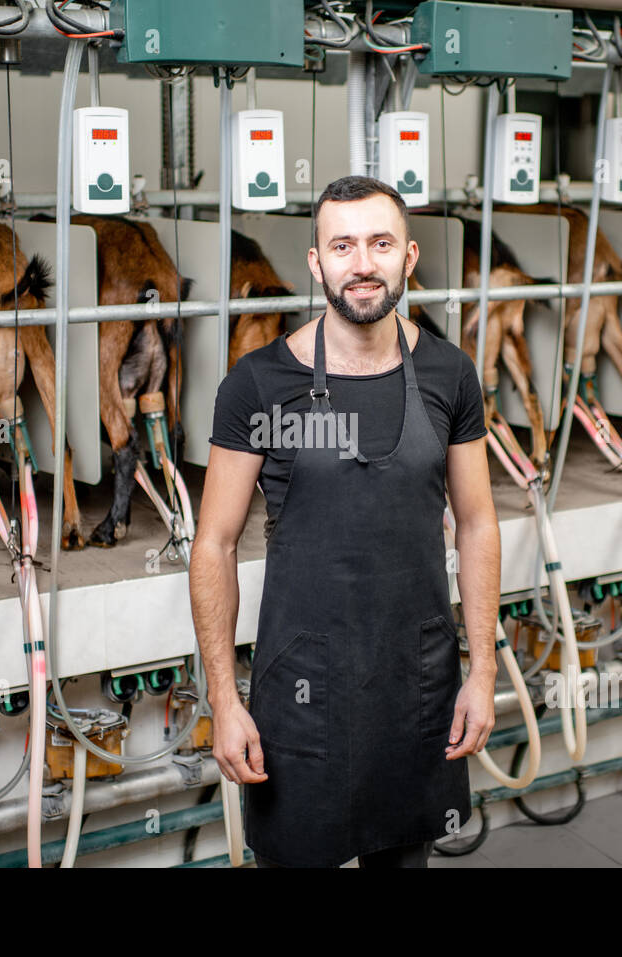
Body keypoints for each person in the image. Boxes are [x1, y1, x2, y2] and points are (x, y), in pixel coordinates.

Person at [189, 175, 501, 868]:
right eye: (344, 245)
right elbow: (213, 542)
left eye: (380, 243)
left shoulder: (451, 374)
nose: (362, 263)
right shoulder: (258, 384)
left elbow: (478, 522)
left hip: (415, 685)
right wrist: (222, 697)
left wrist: (481, 671)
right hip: (301, 690)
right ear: (317, 262)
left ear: (409, 256)